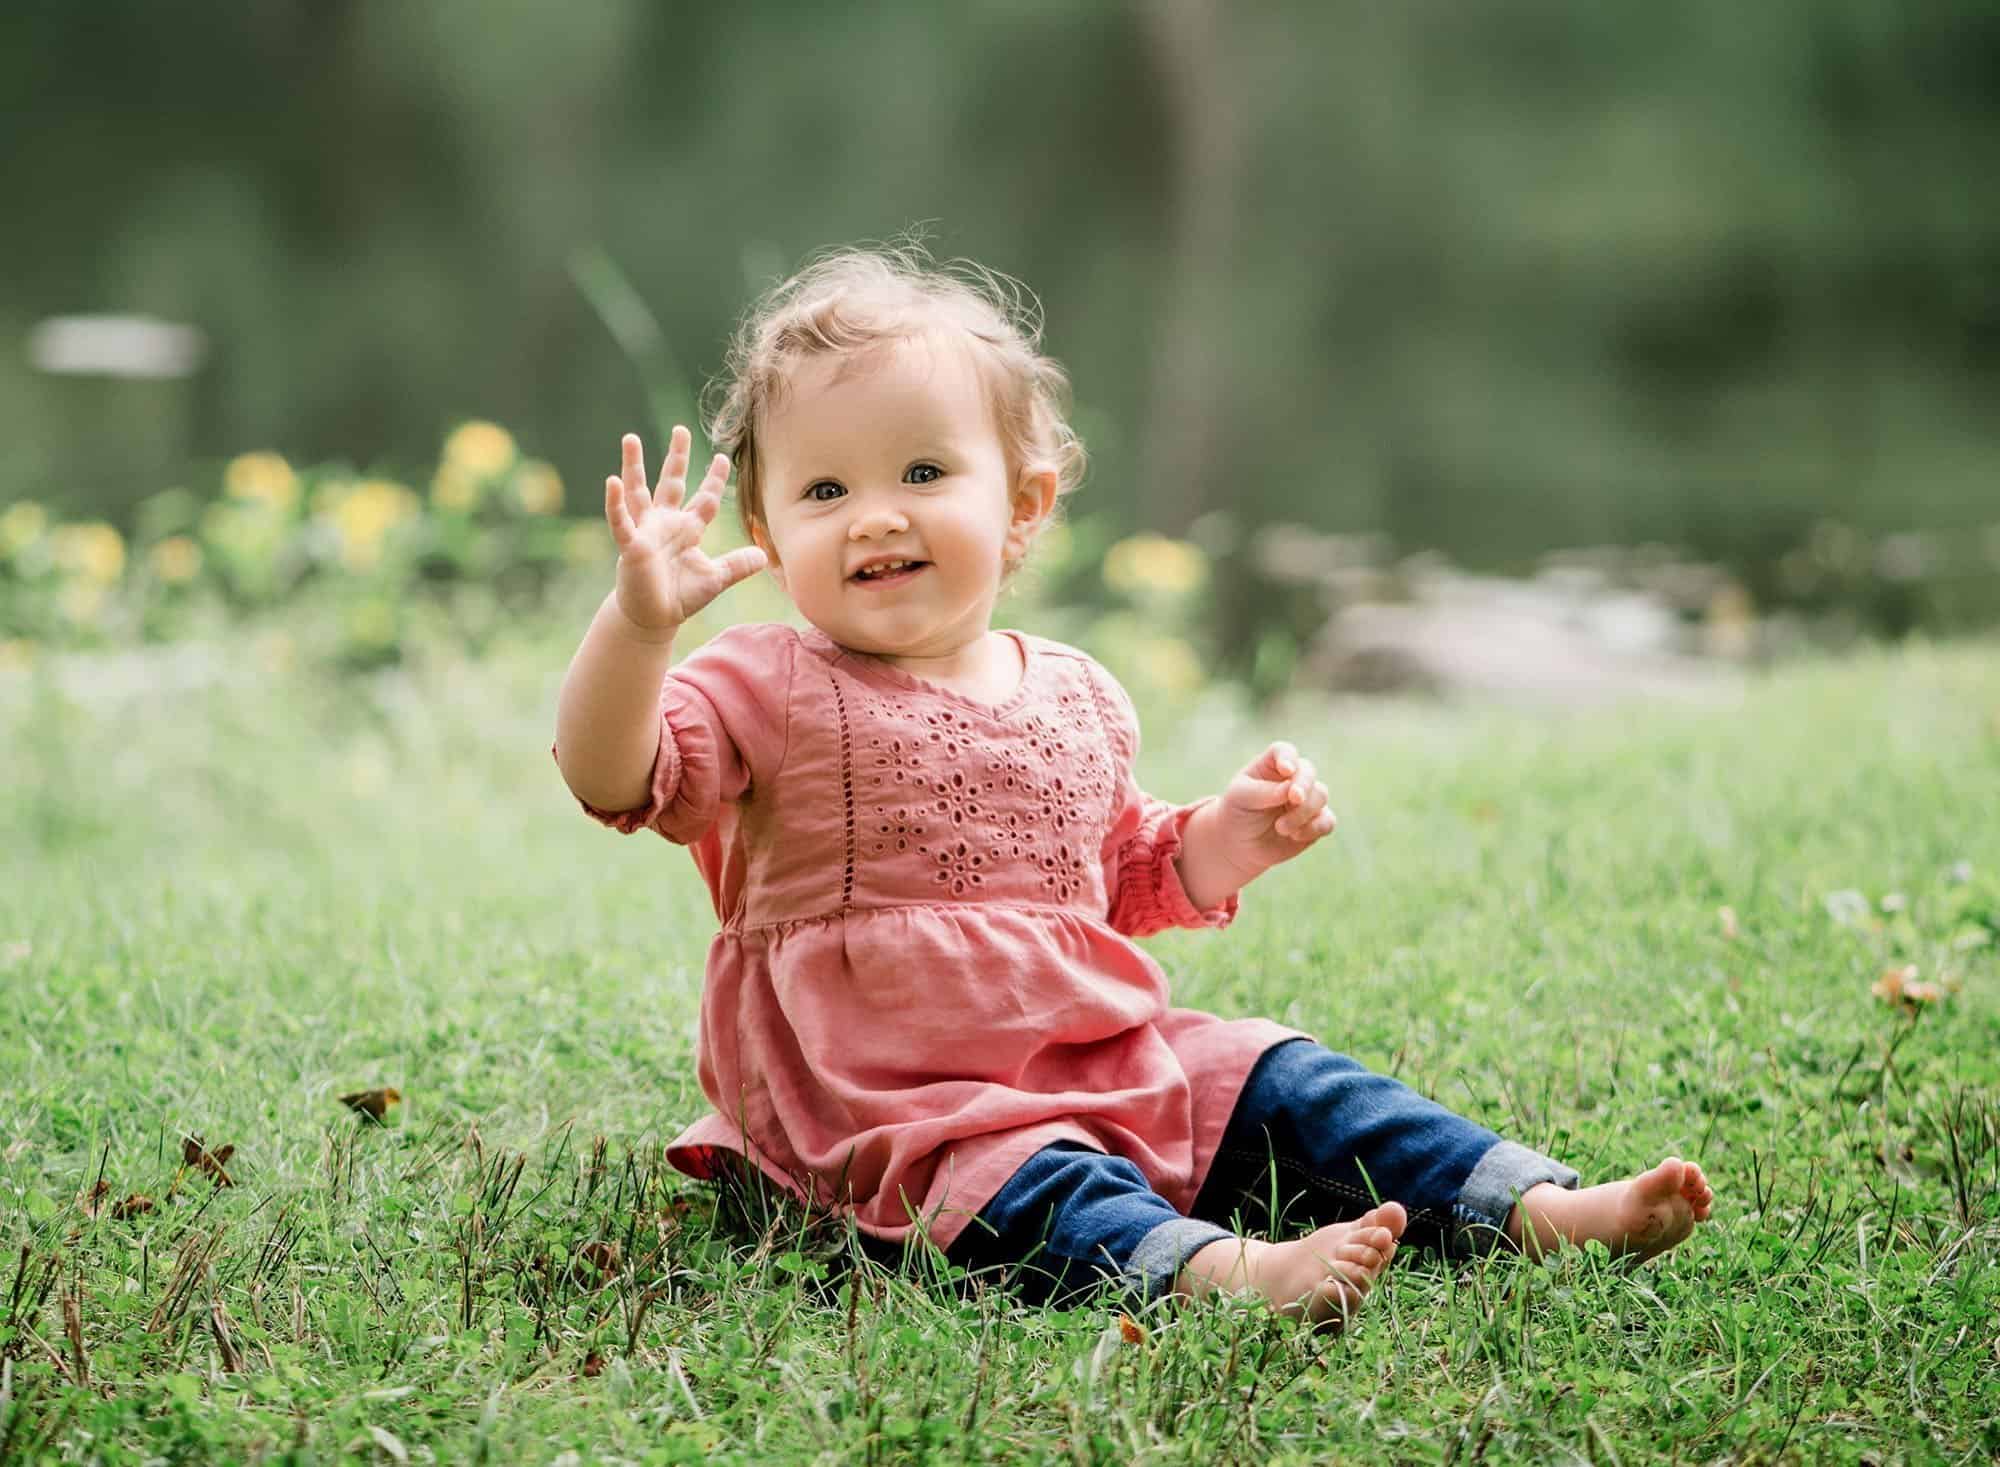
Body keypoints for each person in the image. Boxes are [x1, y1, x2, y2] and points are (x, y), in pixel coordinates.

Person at [552, 246, 1713, 1326]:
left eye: (920, 471)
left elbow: (1113, 876)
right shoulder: (763, 681)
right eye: (823, 492)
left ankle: (1534, 1207)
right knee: (1033, 1188)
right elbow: (615, 776)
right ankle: (1224, 1271)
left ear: (1020, 504)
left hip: (1097, 1059)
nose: (876, 515)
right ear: (764, 525)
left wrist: (1220, 838)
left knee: (1280, 1077)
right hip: (885, 1111)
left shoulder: (1075, 691)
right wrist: (634, 624)